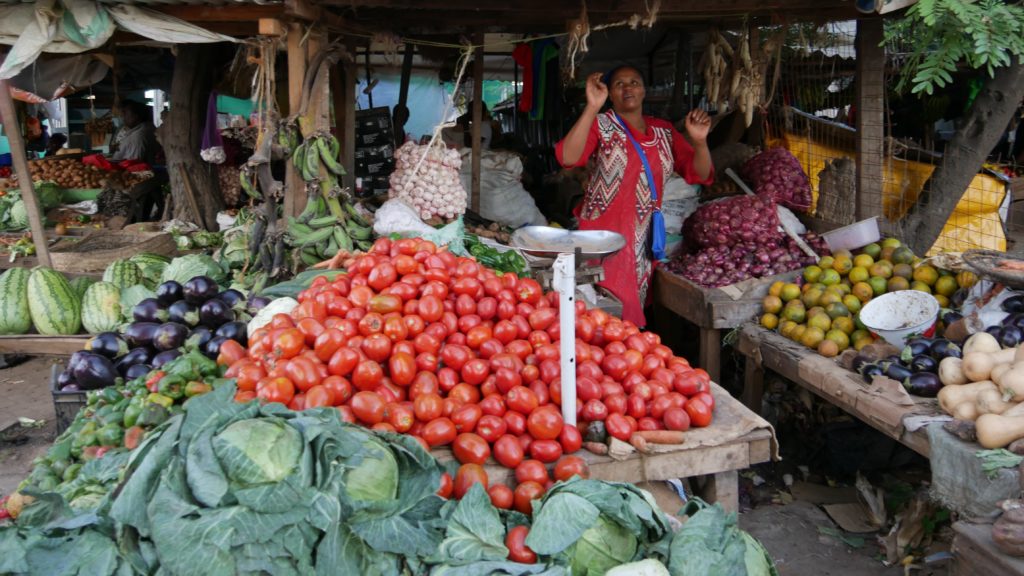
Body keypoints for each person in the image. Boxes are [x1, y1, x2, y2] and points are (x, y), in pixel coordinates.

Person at [556, 66, 713, 326]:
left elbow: (700, 174)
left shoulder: (663, 132)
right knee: (600, 316)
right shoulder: (601, 125)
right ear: (610, 93)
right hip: (602, 238)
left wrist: (699, 141)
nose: (628, 88)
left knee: (627, 317)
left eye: (634, 82)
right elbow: (568, 158)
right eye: (619, 84)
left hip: (642, 240)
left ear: (643, 90)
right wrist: (592, 107)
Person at [110, 100, 158, 165]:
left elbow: (133, 163)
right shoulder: (148, 128)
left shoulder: (138, 136)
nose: (123, 117)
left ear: (136, 116)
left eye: (126, 113)